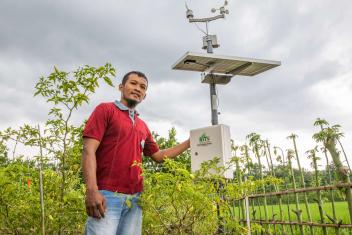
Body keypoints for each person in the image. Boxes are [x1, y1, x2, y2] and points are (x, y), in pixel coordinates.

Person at [82, 71, 190, 235]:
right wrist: (91, 191)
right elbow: (88, 150)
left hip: (135, 199)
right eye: (133, 83)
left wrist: (190, 142)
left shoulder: (142, 126)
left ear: (144, 95)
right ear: (121, 87)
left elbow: (159, 156)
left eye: (142, 87)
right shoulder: (106, 110)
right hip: (106, 196)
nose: (137, 88)